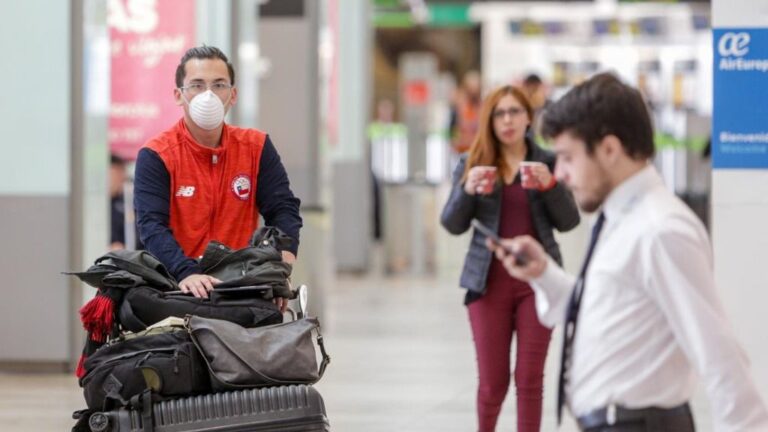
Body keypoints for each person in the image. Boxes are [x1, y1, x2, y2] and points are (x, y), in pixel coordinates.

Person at [489, 73, 768, 431]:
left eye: (568, 157)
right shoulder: (619, 218)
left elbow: (720, 360)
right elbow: (607, 313)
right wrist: (543, 273)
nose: (559, 174)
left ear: (609, 149)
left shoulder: (660, 231)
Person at [440, 85, 580, 432]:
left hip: (538, 283)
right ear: (490, 120)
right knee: (493, 383)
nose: (507, 120)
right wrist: (465, 190)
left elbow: (569, 221)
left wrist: (551, 187)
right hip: (487, 284)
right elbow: (452, 224)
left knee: (530, 378)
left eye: (514, 112)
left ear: (528, 117)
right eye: (500, 113)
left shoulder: (547, 162)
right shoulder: (472, 163)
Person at [134, 46, 302, 308]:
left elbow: (283, 209)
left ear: (232, 95)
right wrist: (186, 273)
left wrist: (279, 268)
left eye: (219, 84)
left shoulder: (256, 147)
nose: (208, 95)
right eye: (197, 85)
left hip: (240, 283)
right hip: (177, 284)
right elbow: (151, 225)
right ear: (179, 95)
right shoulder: (157, 154)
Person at [450, 70, 482, 154]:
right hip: (461, 150)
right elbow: (453, 128)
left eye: (476, 89)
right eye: (471, 89)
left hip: (478, 150)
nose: (473, 92)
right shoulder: (458, 107)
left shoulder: (483, 107)